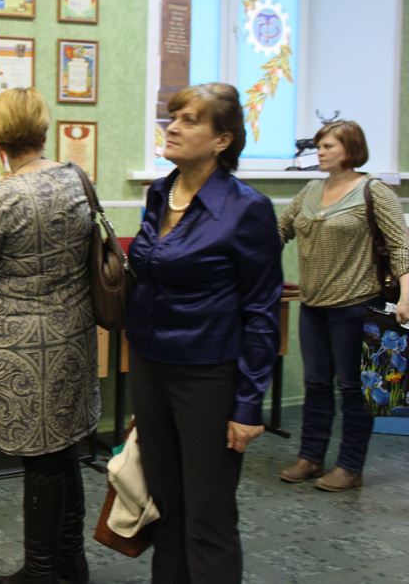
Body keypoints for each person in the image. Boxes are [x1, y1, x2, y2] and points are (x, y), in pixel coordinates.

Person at [127, 83, 281, 584]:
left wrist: (248, 404)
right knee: (166, 505)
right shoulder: (159, 192)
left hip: (208, 378)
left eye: (189, 120)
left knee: (208, 514)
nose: (172, 128)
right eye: (173, 117)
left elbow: (262, 310)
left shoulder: (246, 208)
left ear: (222, 140)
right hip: (151, 368)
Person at [0, 88, 97, 584]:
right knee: (66, 448)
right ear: (42, 129)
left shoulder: (0, 198)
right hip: (75, 334)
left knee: (40, 459)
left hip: (23, 346)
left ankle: (40, 572)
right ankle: (71, 561)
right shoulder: (76, 180)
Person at [277, 120, 409, 491]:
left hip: (356, 305)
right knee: (316, 382)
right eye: (319, 146)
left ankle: (350, 466)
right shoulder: (310, 190)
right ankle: (310, 457)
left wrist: (407, 294)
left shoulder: (373, 191)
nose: (320, 152)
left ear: (350, 149)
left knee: (353, 387)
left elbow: (400, 244)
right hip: (313, 305)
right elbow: (279, 230)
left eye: (328, 146)